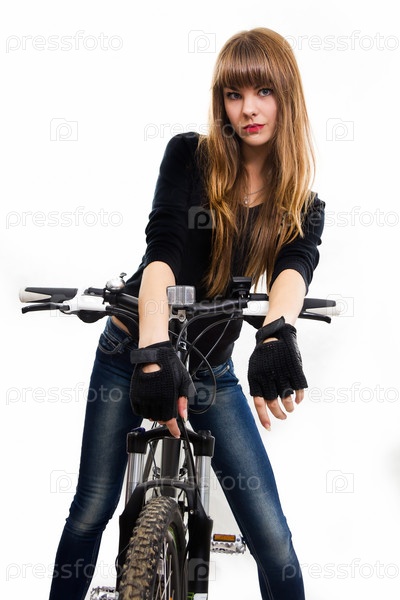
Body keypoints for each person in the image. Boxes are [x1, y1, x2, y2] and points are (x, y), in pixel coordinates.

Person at [49, 27, 325, 600]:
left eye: (264, 92)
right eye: (234, 93)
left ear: (287, 97)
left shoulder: (301, 202)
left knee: (273, 540)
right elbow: (164, 253)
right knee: (91, 509)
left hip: (210, 371)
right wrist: (151, 355)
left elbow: (294, 267)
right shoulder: (190, 156)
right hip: (130, 350)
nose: (248, 109)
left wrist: (276, 333)